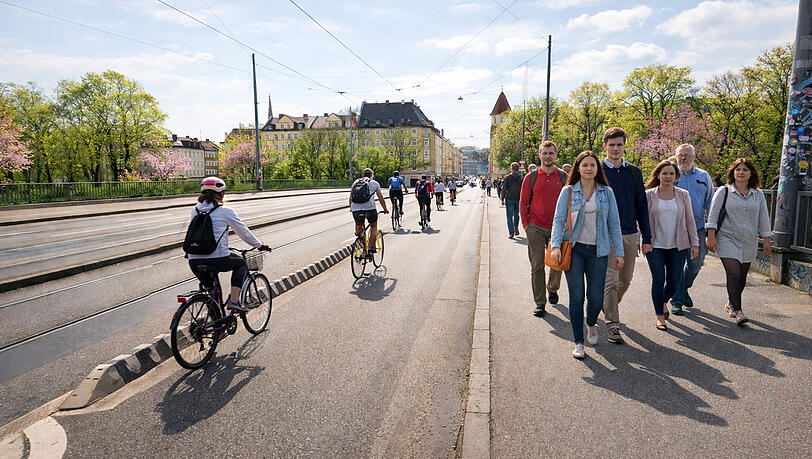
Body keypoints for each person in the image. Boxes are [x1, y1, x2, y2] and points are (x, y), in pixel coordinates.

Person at [550, 151, 623, 359]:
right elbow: (558, 219)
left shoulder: (607, 193)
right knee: (576, 296)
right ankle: (578, 342)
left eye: (592, 165)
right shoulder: (568, 191)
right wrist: (555, 245)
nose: (589, 168)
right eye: (585, 165)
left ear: (597, 169)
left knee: (596, 297)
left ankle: (591, 323)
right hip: (574, 250)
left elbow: (614, 223)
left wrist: (619, 252)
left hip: (599, 251)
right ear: (578, 168)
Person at [187, 177, 270, 313]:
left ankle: (215, 322)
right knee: (241, 264)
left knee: (213, 293)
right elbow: (244, 232)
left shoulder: (195, 210)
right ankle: (234, 301)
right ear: (221, 194)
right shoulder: (225, 211)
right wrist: (259, 245)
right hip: (218, 258)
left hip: (194, 260)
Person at [600, 127, 652, 344]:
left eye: (619, 145)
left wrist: (647, 237)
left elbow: (641, 205)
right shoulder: (598, 170)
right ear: (605, 146)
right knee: (610, 281)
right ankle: (613, 324)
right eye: (611, 145)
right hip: (605, 234)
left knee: (625, 280)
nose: (615, 149)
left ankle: (606, 305)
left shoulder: (634, 172)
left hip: (629, 233)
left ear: (624, 146)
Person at [706, 158, 772, 325]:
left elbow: (763, 218)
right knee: (734, 273)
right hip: (727, 238)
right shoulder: (724, 191)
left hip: (749, 240)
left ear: (751, 174)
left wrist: (767, 240)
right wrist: (711, 237)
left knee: (742, 277)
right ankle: (738, 311)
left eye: (745, 170)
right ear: (733, 172)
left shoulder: (758, 194)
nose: (741, 172)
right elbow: (713, 215)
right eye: (738, 169)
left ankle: (731, 302)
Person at [644, 161, 699, 331]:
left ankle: (662, 301)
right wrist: (642, 240)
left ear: (676, 176)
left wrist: (695, 243)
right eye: (664, 173)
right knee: (658, 279)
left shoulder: (683, 195)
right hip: (655, 245)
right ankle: (659, 316)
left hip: (677, 245)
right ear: (658, 175)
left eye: (671, 174)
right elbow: (642, 220)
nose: (668, 177)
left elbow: (690, 220)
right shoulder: (649, 195)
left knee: (675, 281)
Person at [520, 141, 568, 316]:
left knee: (557, 263)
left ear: (556, 155)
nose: (547, 156)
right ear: (540, 155)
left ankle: (552, 288)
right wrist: (526, 225)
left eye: (551, 153)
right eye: (544, 153)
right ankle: (540, 302)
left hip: (558, 228)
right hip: (535, 227)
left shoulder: (563, 177)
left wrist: (567, 224)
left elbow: (571, 202)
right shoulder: (531, 177)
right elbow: (523, 202)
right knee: (537, 266)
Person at [671, 144, 714, 315]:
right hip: (674, 228)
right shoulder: (671, 174)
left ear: (694, 157)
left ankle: (683, 289)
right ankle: (676, 301)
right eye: (680, 155)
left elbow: (710, 202)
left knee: (696, 263)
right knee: (676, 264)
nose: (683, 158)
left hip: (697, 227)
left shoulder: (703, 176)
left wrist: (712, 228)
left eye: (687, 155)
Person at [350, 168, 388, 256]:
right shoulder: (375, 183)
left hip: (355, 208)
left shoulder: (356, 182)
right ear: (372, 175)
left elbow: (351, 197)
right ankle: (371, 247)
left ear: (363, 175)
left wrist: (352, 208)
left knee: (359, 224)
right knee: (373, 226)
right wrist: (385, 209)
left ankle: (360, 241)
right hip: (370, 208)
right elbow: (380, 198)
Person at [501, 162, 523, 239]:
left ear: (511, 168)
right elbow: (523, 189)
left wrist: (502, 198)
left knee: (509, 216)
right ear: (518, 169)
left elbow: (504, 189)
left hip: (509, 198)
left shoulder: (507, 177)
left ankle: (511, 233)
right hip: (518, 198)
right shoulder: (521, 178)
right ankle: (516, 227)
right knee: (516, 214)